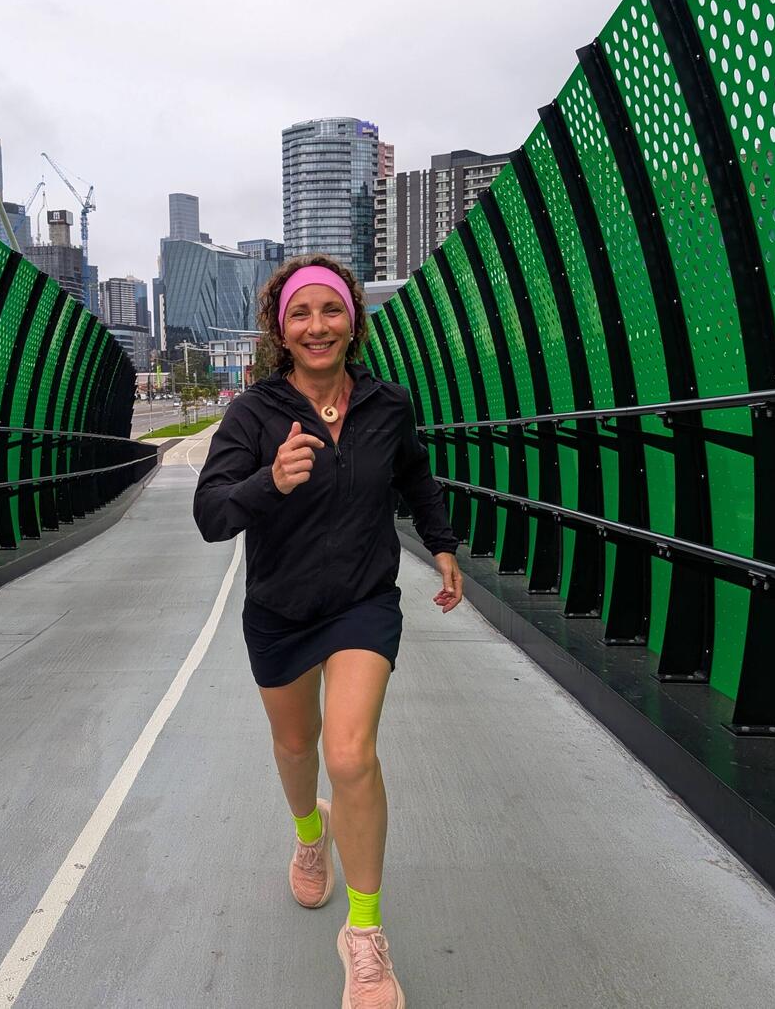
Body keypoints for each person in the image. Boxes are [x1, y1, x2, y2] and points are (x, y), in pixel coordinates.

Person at [193, 254, 461, 1009]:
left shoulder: (388, 404)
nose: (318, 326)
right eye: (301, 314)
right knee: (296, 747)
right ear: (281, 330)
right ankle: (310, 835)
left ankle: (364, 933)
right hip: (280, 611)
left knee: (349, 754)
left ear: (353, 321)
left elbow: (415, 477)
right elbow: (211, 514)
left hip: (362, 604)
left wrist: (442, 544)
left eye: (331, 310)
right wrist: (269, 480)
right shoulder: (254, 415)